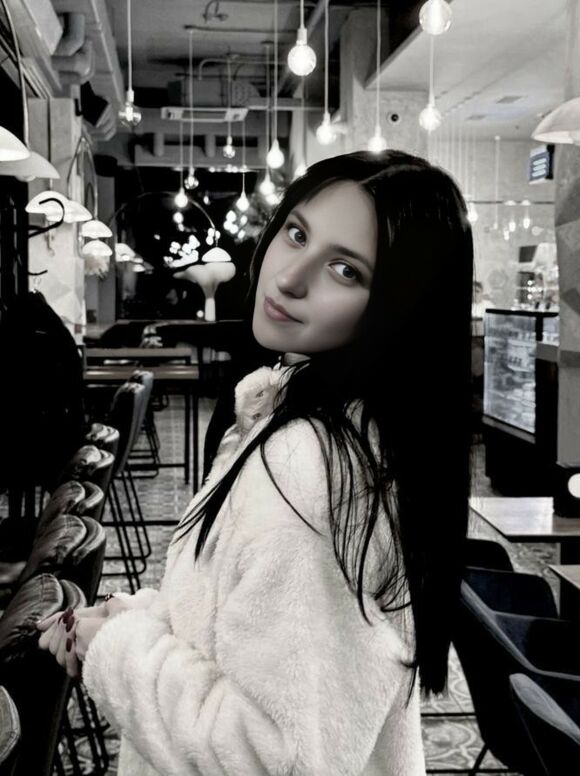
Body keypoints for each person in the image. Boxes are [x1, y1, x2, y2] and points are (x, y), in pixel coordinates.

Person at [37, 150, 473, 775]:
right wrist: (133, 620)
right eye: (296, 233)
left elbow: (273, 756)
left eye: (345, 270)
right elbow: (252, 636)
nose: (290, 277)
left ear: (403, 306)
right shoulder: (328, 433)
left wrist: (117, 648)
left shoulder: (308, 473)